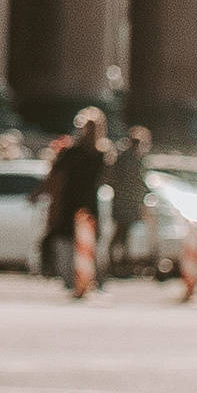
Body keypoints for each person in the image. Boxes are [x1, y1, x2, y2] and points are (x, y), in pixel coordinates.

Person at [40, 109, 110, 290]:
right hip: (88, 203)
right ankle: (89, 278)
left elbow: (56, 176)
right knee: (88, 241)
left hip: (70, 201)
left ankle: (72, 279)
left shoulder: (73, 152)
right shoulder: (102, 154)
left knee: (65, 239)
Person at [108, 122, 153, 280]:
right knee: (122, 233)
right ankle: (117, 263)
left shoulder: (123, 157)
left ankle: (119, 262)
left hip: (123, 201)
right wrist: (147, 192)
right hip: (127, 202)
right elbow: (138, 181)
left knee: (122, 233)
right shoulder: (132, 159)